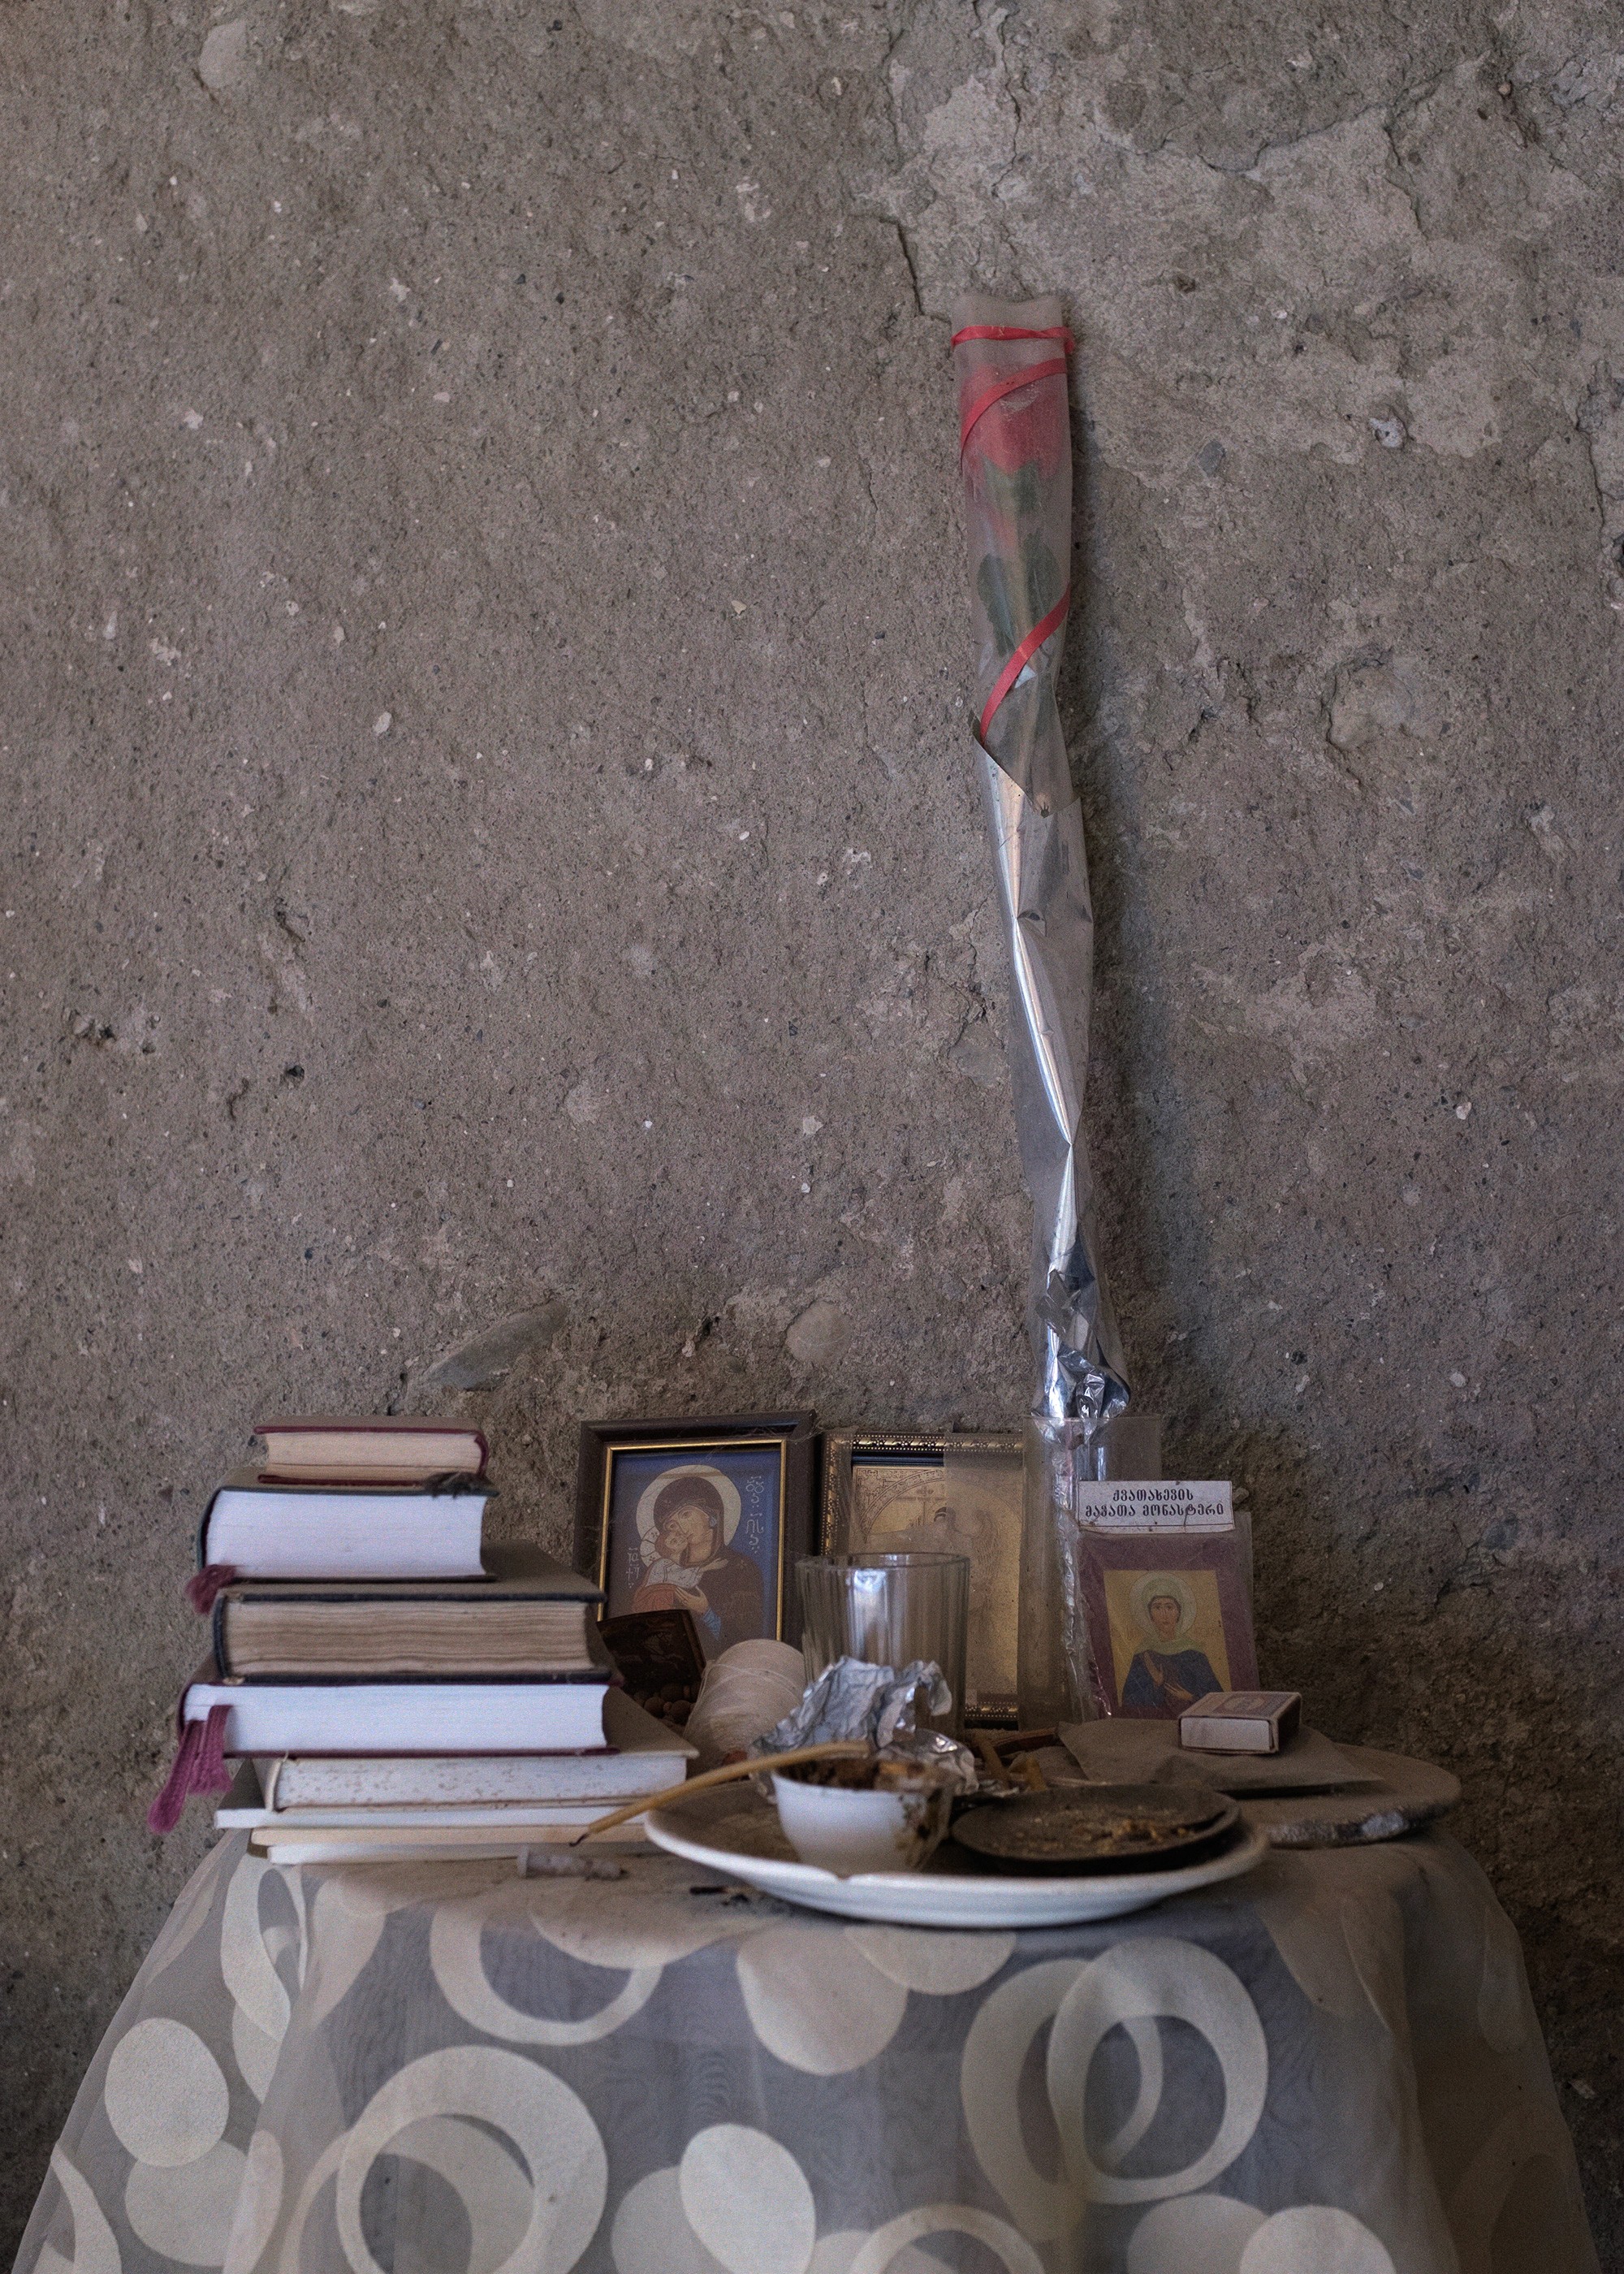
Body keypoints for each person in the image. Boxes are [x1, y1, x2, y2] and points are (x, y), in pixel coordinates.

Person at [630, 1472, 764, 1654]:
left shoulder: (740, 1568)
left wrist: (707, 1612)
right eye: (672, 1525)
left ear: (711, 1515)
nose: (681, 1528)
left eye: (686, 1514)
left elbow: (749, 1643)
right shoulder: (660, 1573)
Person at [1121, 1576, 1222, 1714]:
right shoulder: (1143, 1654)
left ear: (1179, 1612)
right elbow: (1129, 1701)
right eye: (1157, 1607)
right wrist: (1155, 1684)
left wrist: (1191, 1697)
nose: (1164, 1614)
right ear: (1150, 1615)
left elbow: (1217, 1697)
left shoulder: (1193, 1652)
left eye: (1169, 1607)